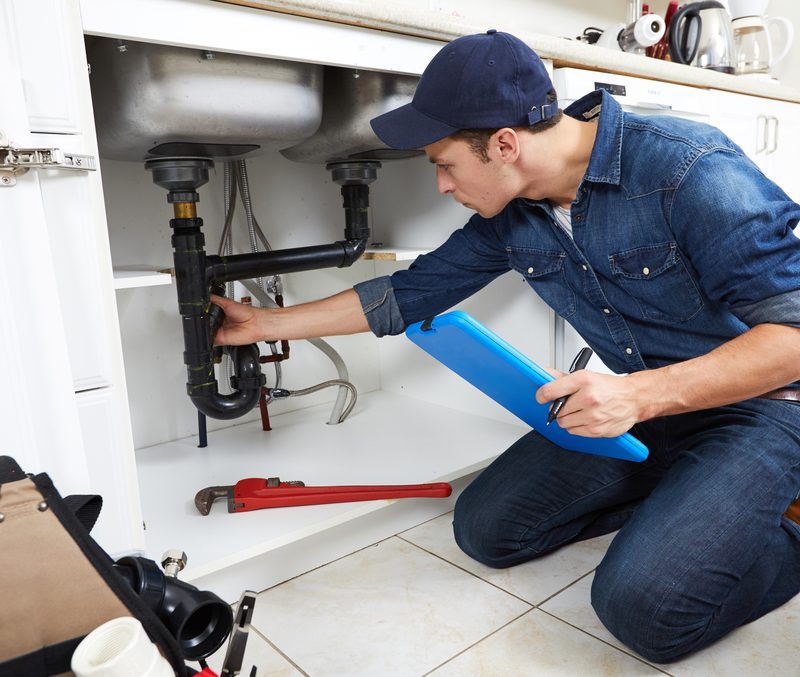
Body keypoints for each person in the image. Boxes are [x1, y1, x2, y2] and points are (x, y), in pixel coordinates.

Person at [212, 30, 800, 662]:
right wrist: (263, 325)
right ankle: (689, 503)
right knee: (487, 530)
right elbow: (406, 295)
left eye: (443, 163)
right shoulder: (516, 212)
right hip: (645, 408)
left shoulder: (689, 170)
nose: (440, 184)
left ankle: (775, 533)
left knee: (645, 612)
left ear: (503, 144)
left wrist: (638, 395)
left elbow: (793, 336)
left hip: (758, 407)